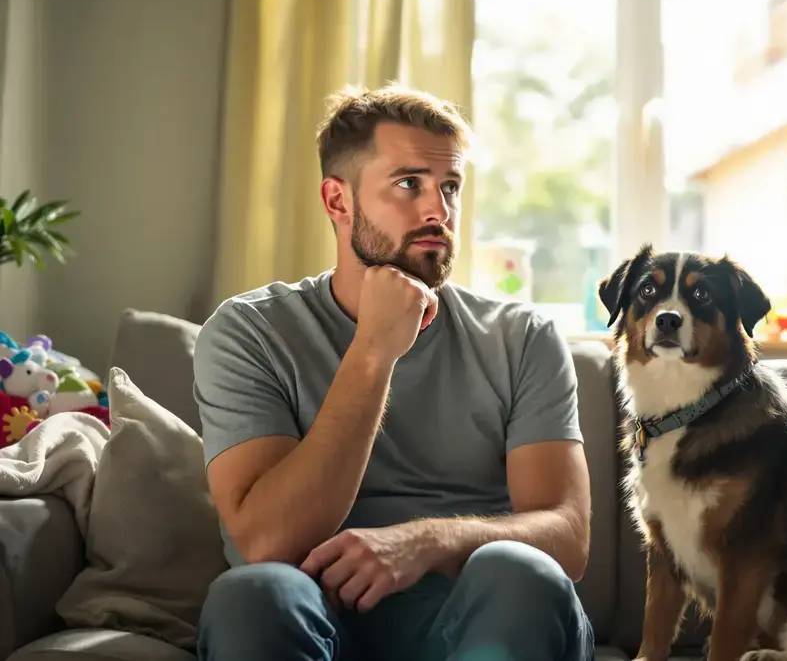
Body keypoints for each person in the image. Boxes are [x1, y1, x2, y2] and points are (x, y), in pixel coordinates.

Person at [192, 82, 594, 661]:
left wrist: (426, 541)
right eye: (409, 183)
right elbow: (267, 542)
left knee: (520, 573)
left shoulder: (521, 336)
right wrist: (375, 349)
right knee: (252, 595)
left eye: (449, 187)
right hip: (317, 618)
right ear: (338, 201)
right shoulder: (249, 332)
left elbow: (568, 536)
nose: (439, 211)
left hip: (479, 620)